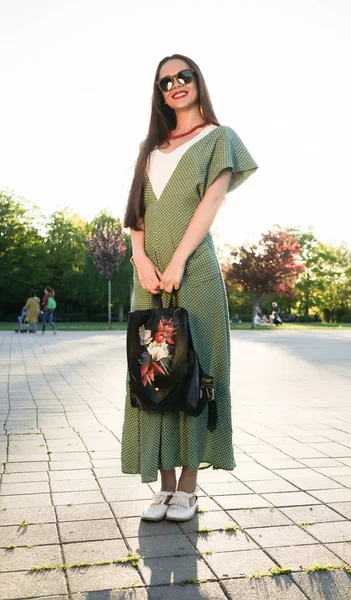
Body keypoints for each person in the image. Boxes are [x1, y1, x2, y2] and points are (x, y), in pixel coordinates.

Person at [121, 54, 258, 522]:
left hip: (194, 272)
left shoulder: (220, 138)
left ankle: (188, 487)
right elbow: (136, 212)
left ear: (199, 81)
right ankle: (161, 487)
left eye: (185, 76)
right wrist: (141, 260)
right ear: (159, 93)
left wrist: (177, 261)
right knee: (151, 374)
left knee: (196, 368)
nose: (176, 85)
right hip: (148, 278)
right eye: (166, 81)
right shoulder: (149, 146)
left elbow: (212, 202)